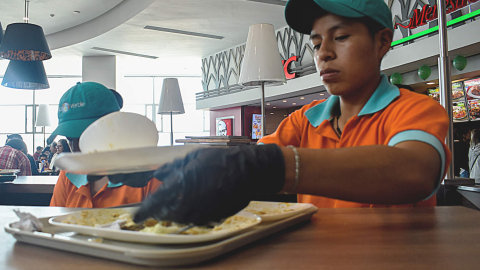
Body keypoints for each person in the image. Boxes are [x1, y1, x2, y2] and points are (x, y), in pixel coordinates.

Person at [92, 0, 451, 225]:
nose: (323, 53)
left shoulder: (416, 110)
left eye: (340, 37)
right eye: (315, 43)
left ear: (383, 42)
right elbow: (250, 158)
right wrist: (171, 164)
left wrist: (276, 166)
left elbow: (415, 171)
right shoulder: (303, 120)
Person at [49, 82, 162, 208]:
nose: (75, 149)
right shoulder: (69, 174)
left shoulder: (148, 176)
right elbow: (53, 222)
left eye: (84, 137)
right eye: (70, 139)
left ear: (113, 128)